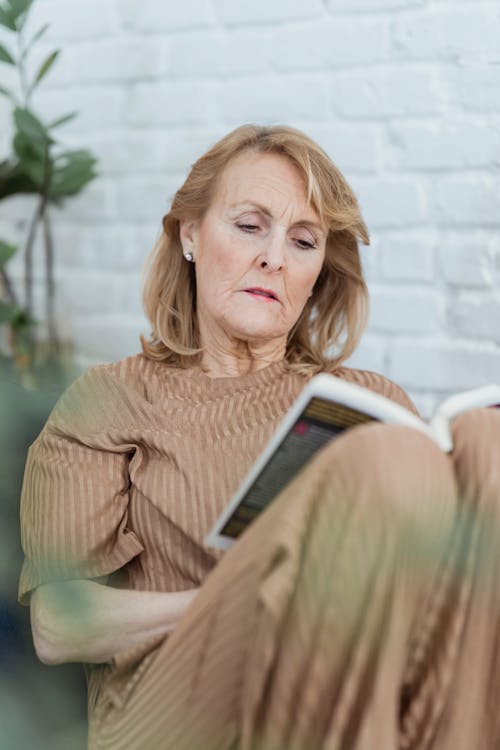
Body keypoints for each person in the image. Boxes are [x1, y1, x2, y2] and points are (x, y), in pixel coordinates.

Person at [19, 125, 500, 750]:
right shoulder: (110, 399)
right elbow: (58, 628)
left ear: (317, 271)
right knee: (385, 469)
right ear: (191, 234)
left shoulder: (372, 403)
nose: (274, 257)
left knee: (486, 445)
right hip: (176, 710)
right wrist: (262, 592)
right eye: (250, 226)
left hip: (353, 687)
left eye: (303, 241)